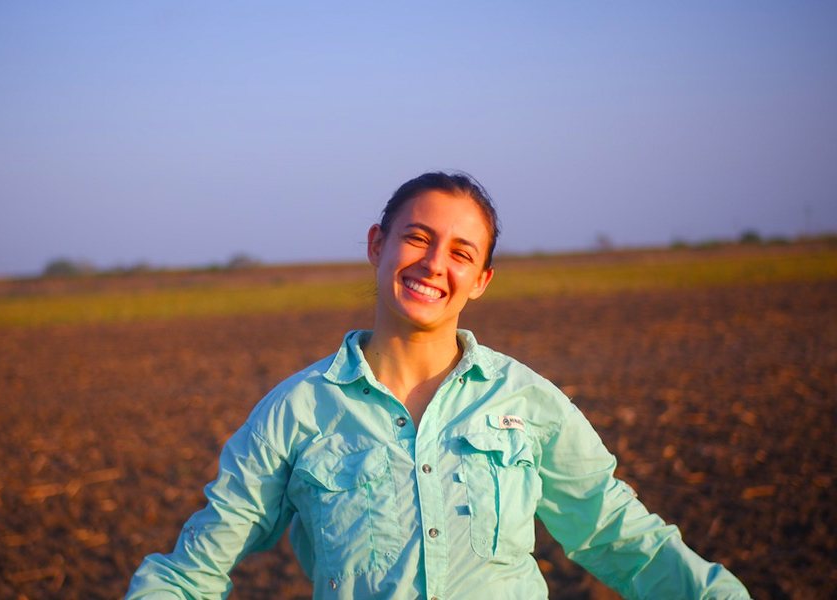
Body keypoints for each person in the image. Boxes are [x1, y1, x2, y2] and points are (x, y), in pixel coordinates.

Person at [126, 172, 751, 599]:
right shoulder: (297, 411)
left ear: (481, 279)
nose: (433, 264)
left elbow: (617, 534)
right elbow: (193, 571)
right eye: (417, 238)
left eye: (461, 252)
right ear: (378, 246)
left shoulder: (524, 401)